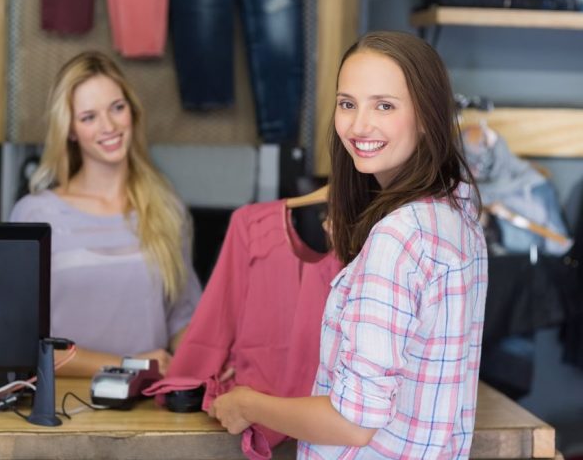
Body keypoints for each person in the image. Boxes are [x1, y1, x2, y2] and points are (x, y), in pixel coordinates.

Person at [208, 31, 488, 459]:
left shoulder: (398, 239)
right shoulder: (457, 215)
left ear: (427, 115)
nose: (359, 125)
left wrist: (248, 403)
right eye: (347, 103)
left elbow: (353, 423)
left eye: (385, 105)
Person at [10, 51, 201, 377]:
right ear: (69, 129)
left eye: (117, 108)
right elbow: (19, 341)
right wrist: (129, 365)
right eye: (89, 117)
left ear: (132, 111)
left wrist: (205, 362)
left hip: (148, 409)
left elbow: (182, 319)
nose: (109, 126)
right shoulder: (36, 215)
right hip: (61, 412)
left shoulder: (166, 209)